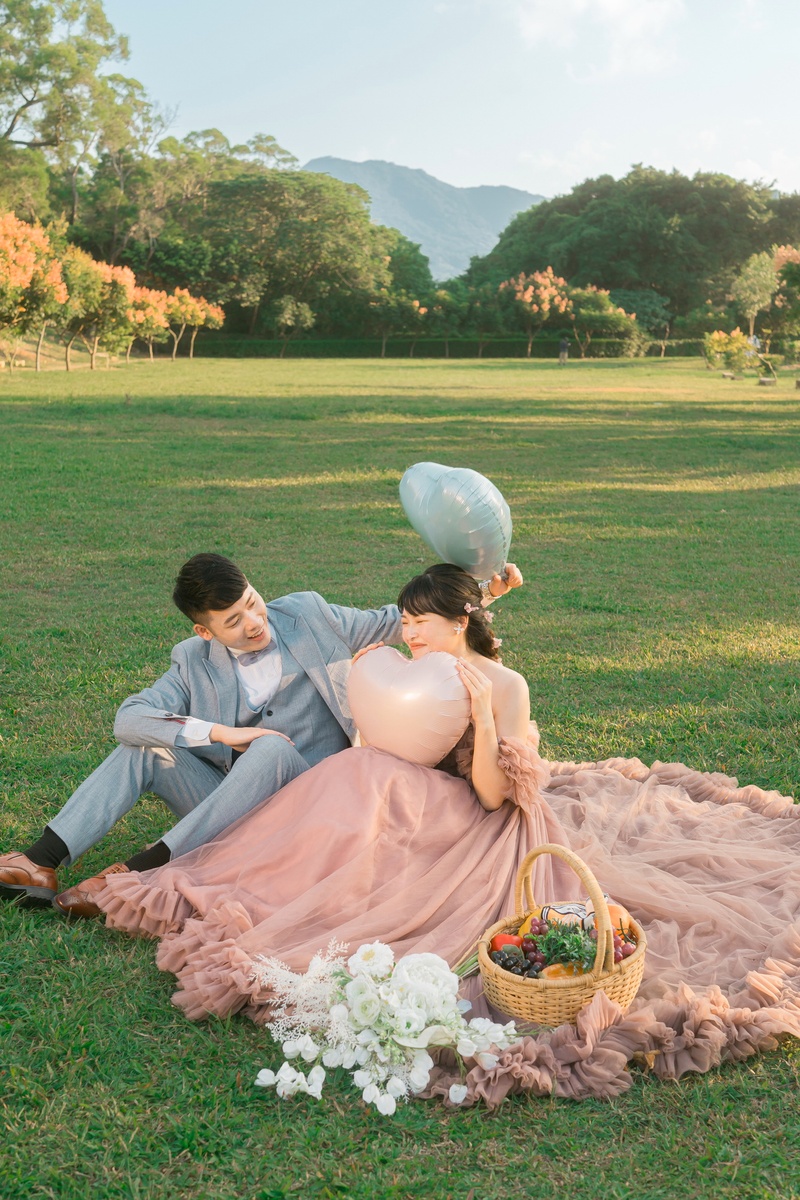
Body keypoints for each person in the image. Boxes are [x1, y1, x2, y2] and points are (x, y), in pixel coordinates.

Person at [94, 562, 800, 1104]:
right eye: (403, 622)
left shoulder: (505, 684)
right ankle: (251, 871)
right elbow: (389, 735)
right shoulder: (412, 668)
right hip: (412, 792)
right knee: (358, 771)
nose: (406, 634)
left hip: (476, 817)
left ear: (458, 623)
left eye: (419, 623)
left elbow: (492, 794)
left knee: (372, 782)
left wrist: (483, 716)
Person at [0, 552, 523, 917]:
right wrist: (223, 733)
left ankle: (141, 871)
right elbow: (130, 718)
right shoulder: (192, 661)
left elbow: (406, 619)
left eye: (253, 601)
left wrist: (485, 591)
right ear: (204, 631)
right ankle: (42, 860)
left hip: (311, 804)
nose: (254, 621)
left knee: (271, 746)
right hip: (228, 802)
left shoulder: (309, 615)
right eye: (233, 621)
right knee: (146, 749)